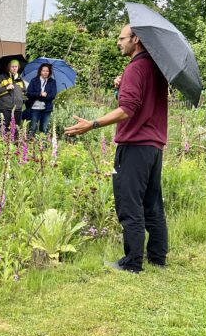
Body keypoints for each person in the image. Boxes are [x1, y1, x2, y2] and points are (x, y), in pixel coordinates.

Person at [65, 24, 169, 274]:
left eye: (122, 38)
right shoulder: (156, 68)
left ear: (136, 39)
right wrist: (121, 86)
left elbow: (128, 110)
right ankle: (157, 257)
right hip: (154, 147)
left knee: (129, 204)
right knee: (152, 203)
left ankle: (132, 263)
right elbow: (139, 101)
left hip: (134, 146)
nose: (118, 42)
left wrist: (93, 124)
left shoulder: (136, 67)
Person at [0, 59, 25, 135]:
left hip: (17, 109)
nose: (14, 68)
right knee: (3, 130)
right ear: (8, 67)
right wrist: (6, 88)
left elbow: (24, 93)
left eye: (16, 66)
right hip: (4, 108)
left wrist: (22, 101)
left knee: (16, 131)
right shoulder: (2, 77)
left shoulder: (20, 79)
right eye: (12, 66)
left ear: (18, 67)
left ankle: (15, 146)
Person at [25, 63, 57, 136]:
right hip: (35, 108)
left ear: (49, 72)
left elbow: (52, 96)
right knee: (33, 128)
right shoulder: (34, 80)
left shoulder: (52, 82)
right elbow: (29, 94)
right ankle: (30, 144)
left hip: (46, 109)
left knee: (44, 128)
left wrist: (42, 96)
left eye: (47, 71)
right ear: (40, 71)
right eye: (43, 71)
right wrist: (40, 94)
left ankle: (43, 146)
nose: (45, 73)